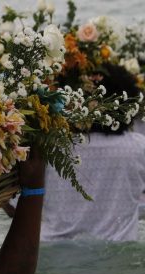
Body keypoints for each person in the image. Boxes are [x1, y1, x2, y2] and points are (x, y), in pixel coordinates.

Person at [41, 63, 145, 241]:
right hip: (118, 255)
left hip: (53, 254)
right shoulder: (138, 149)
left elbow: (17, 206)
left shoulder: (47, 149)